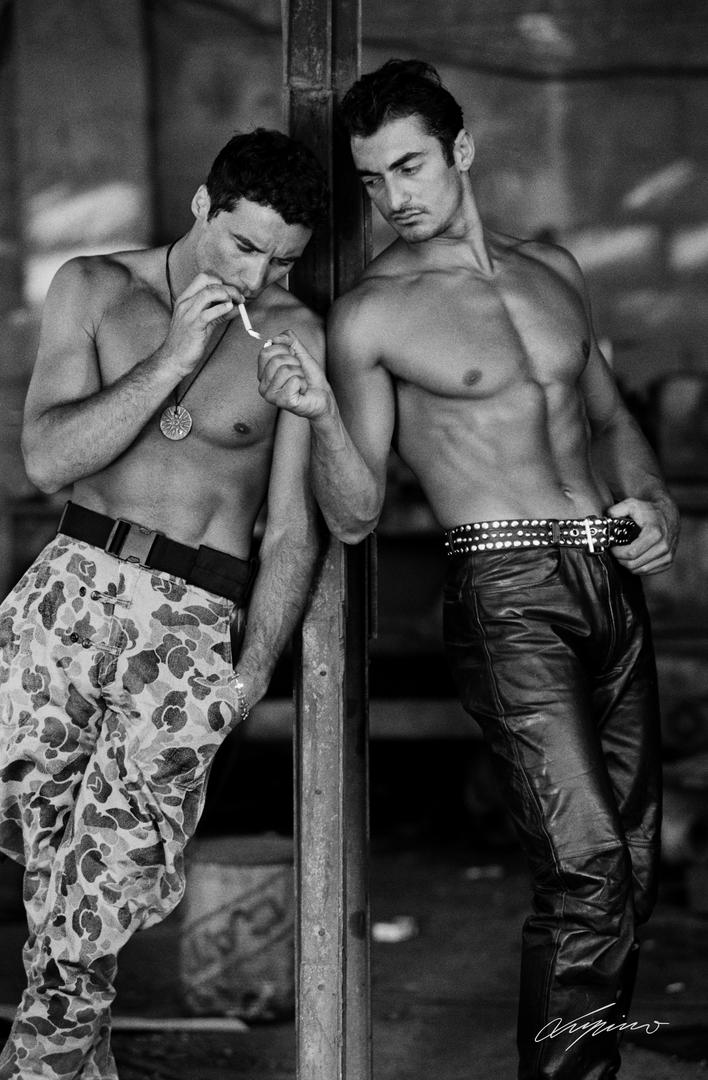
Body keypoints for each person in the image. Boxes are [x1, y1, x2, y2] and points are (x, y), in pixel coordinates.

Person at [257, 60, 680, 1079]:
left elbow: (611, 422)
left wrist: (653, 503)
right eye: (371, 180)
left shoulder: (554, 270)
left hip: (608, 579)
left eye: (408, 166)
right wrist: (321, 421)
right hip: (506, 597)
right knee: (587, 867)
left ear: (462, 151)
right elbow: (353, 514)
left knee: (629, 869)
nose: (392, 197)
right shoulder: (375, 314)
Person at [0, 127, 327, 1080]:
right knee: (50, 860)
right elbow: (46, 461)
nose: (259, 276)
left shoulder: (295, 335)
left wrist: (249, 675)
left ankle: (42, 1066)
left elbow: (292, 530)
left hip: (189, 621)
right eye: (245, 245)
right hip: (68, 588)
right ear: (201, 205)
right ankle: (78, 1060)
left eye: (283, 260)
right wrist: (173, 357)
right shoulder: (94, 288)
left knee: (110, 876)